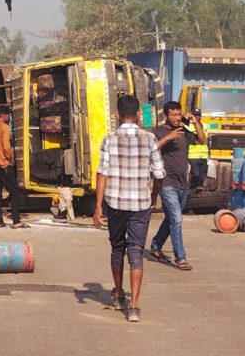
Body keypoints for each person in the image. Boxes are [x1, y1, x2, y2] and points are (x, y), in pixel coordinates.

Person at [93, 95, 166, 323]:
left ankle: (119, 293)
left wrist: (97, 206)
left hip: (115, 202)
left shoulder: (109, 138)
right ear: (137, 115)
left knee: (117, 247)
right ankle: (134, 306)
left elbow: (102, 172)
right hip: (141, 203)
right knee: (135, 250)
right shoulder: (150, 139)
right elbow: (159, 174)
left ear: (117, 114)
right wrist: (153, 195)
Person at [148, 102, 200, 271]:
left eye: (179, 115)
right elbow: (149, 149)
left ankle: (155, 246)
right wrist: (168, 138)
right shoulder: (157, 132)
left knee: (171, 218)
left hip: (182, 183)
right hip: (166, 182)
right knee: (177, 219)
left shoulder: (184, 132)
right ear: (165, 116)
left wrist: (195, 123)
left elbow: (202, 140)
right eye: (174, 115)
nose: (177, 118)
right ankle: (181, 257)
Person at [0, 105, 28, 229]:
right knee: (13, 191)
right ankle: (16, 220)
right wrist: (9, 157)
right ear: (4, 115)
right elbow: (6, 147)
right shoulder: (4, 127)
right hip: (3, 163)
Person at [185, 108, 209, 192]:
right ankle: (192, 186)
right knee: (195, 173)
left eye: (198, 115)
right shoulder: (187, 125)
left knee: (203, 173)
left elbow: (206, 140)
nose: (197, 117)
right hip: (193, 154)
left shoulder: (205, 125)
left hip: (203, 155)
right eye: (195, 115)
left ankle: (199, 186)